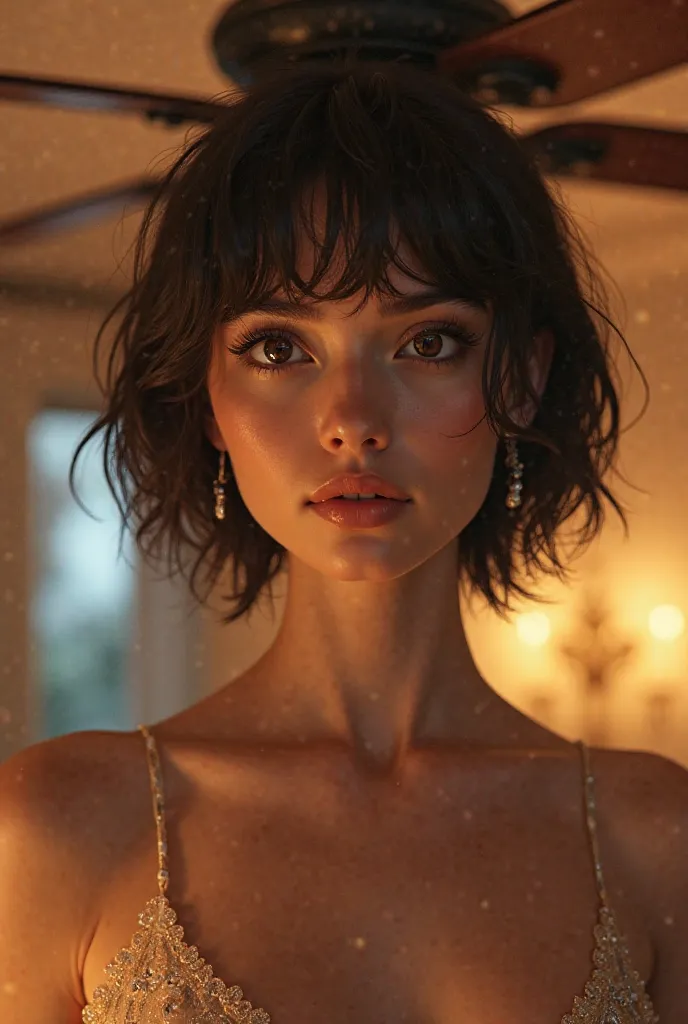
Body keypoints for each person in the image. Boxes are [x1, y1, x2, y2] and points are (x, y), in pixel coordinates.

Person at [0, 57, 685, 1024]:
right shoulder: (61, 824)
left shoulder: (654, 835)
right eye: (280, 347)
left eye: (427, 341)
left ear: (522, 380)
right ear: (207, 397)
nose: (353, 420)